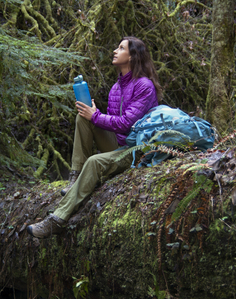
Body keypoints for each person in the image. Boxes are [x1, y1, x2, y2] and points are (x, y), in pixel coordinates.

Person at [27, 36, 162, 238]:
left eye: (121, 48)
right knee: (83, 119)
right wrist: (94, 115)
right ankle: (74, 177)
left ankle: (56, 220)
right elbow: (113, 122)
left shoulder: (144, 85)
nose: (115, 51)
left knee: (94, 161)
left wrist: (97, 116)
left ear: (133, 57)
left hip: (136, 150)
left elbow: (127, 124)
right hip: (118, 144)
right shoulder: (116, 88)